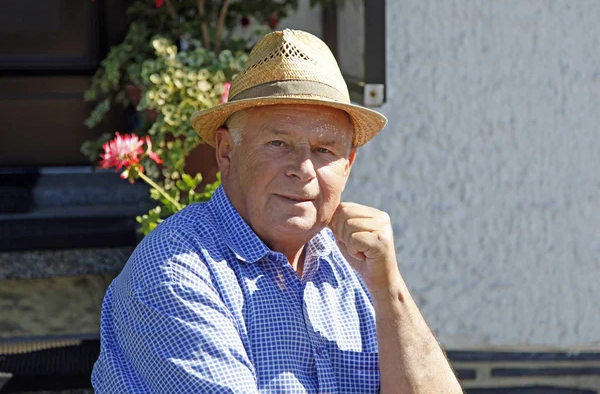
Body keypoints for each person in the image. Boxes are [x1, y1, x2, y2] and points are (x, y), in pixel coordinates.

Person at [92, 29, 462, 393]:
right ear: (226, 153)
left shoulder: (351, 262)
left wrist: (389, 289)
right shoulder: (175, 270)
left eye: (324, 150)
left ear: (347, 165)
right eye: (278, 143)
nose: (301, 169)